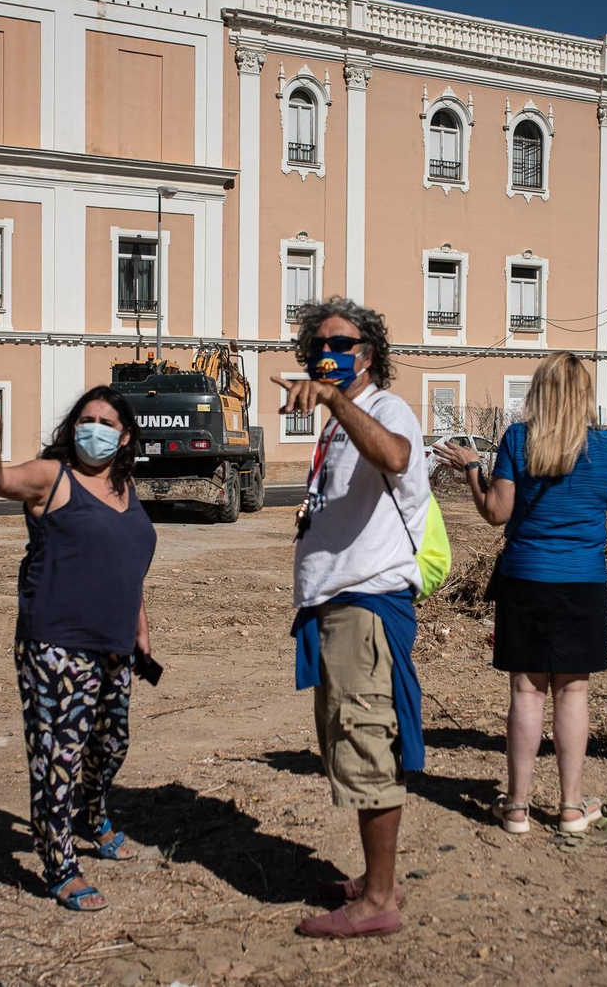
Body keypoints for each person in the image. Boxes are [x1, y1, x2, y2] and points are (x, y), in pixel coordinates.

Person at [434, 352, 607, 834]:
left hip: (525, 580)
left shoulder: (517, 440)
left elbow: (496, 512)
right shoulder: (606, 448)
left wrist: (472, 469)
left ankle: (517, 807)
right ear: (584, 397)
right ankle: (571, 808)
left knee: (526, 692)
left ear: (539, 393)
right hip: (582, 583)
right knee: (573, 691)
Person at [276, 297, 429, 939]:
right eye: (319, 345)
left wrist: (338, 401)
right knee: (347, 741)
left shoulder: (383, 408)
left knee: (367, 748)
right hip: (336, 606)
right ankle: (376, 881)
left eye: (343, 343)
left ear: (368, 355)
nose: (328, 354)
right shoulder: (339, 423)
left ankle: (378, 904)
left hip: (366, 607)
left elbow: (395, 457)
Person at [0, 385, 157, 911]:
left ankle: (91, 818)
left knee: (110, 744)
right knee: (59, 756)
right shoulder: (53, 476)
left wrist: (141, 627)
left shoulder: (125, 485)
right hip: (56, 643)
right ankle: (59, 865)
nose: (92, 427)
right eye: (85, 418)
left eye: (105, 421)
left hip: (115, 643)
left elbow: (128, 563)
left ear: (124, 438)